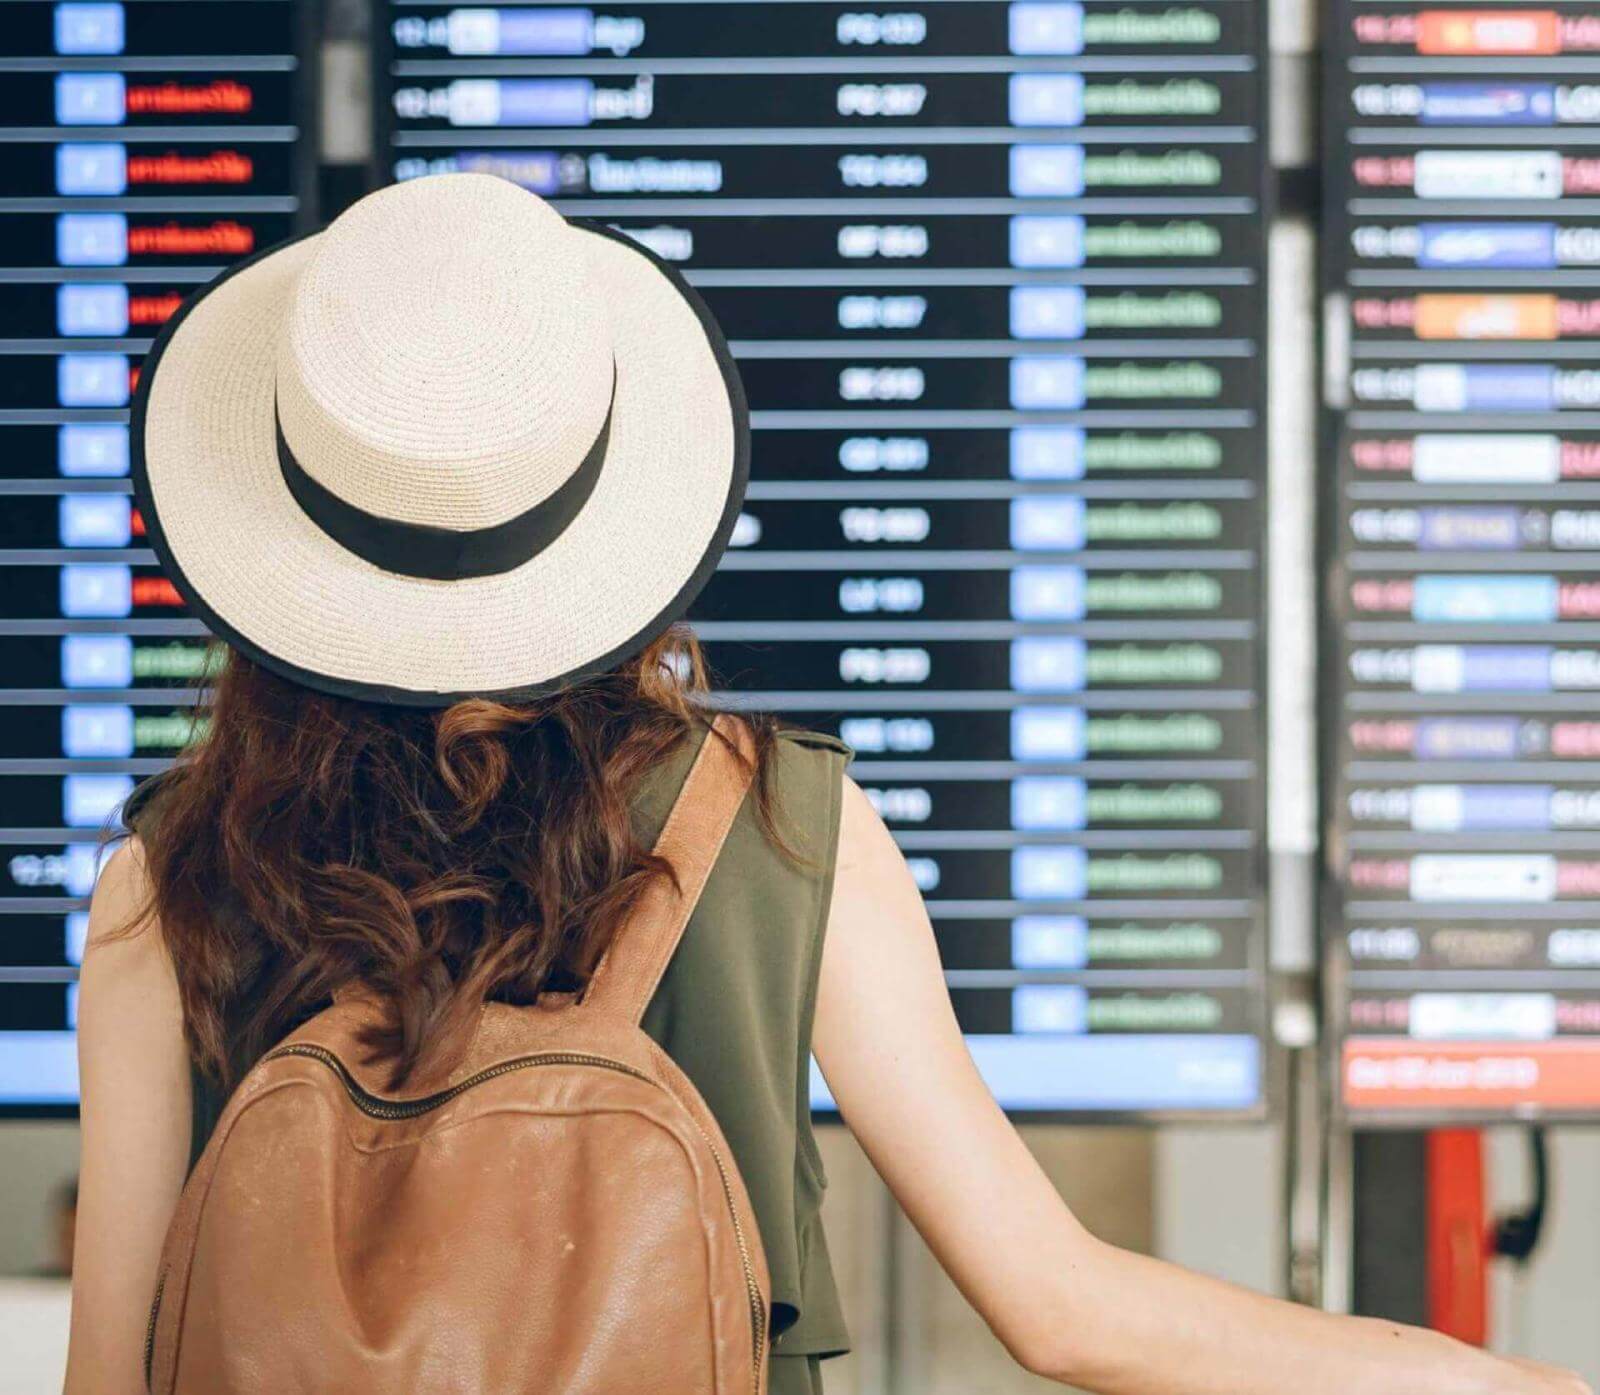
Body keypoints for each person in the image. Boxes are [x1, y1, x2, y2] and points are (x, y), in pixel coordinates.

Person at [66, 173, 1587, 1395]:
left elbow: (113, 1369)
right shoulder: (782, 825)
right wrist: (1467, 1378)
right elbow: (1060, 1311)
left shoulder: (163, 883)